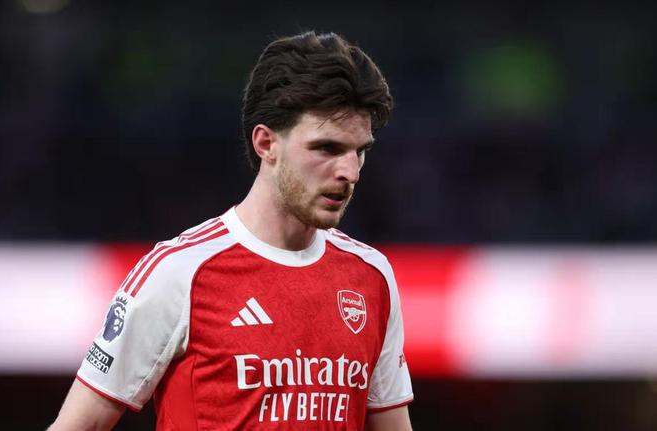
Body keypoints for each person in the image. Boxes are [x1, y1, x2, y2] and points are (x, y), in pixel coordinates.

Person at [49, 31, 413, 431]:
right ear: (266, 143)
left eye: (360, 151)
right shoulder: (178, 272)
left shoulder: (371, 277)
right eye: (327, 148)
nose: (350, 172)